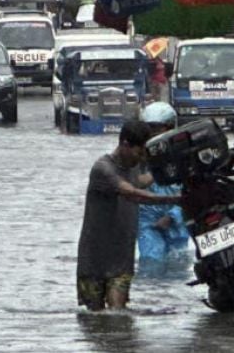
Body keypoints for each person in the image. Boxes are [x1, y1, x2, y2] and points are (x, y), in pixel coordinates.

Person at [76, 120, 181, 312]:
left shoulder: (132, 168)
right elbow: (133, 193)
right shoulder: (103, 168)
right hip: (94, 261)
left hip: (121, 261)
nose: (141, 159)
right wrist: (177, 199)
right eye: (139, 153)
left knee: (118, 316)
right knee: (94, 319)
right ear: (125, 144)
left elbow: (142, 182)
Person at [137, 103, 190, 274]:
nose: (153, 134)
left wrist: (172, 216)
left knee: (178, 265)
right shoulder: (138, 156)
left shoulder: (182, 155)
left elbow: (190, 189)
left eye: (157, 128)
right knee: (151, 263)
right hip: (148, 222)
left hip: (177, 222)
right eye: (149, 129)